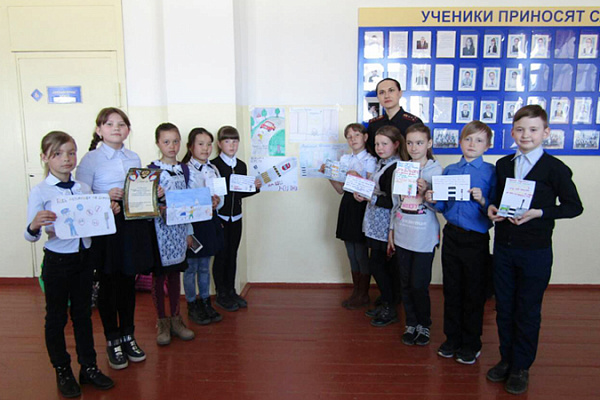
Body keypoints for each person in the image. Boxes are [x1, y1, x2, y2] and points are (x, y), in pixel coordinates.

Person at [487, 105, 583, 395]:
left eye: (532, 129)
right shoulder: (504, 164)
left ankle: (521, 366)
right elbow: (496, 199)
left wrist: (538, 212)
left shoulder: (555, 168)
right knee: (504, 307)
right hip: (503, 248)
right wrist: (492, 209)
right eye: (519, 129)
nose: (525, 135)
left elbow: (574, 207)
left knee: (527, 309)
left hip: (535, 251)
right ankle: (506, 359)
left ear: (546, 132)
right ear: (512, 132)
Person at [26, 131, 115, 397]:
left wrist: (107, 213)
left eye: (71, 153)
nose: (66, 159)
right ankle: (62, 369)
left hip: (84, 260)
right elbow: (30, 235)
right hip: (57, 261)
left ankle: (88, 366)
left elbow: (93, 223)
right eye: (57, 154)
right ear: (45, 157)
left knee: (83, 315)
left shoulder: (83, 189)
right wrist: (35, 225)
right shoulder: (41, 191)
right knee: (56, 318)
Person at [77, 108, 155, 370]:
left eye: (121, 124)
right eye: (109, 124)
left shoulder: (133, 156)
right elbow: (81, 197)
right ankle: (113, 339)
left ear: (128, 130)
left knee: (128, 282)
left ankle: (128, 335)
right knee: (109, 284)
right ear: (99, 130)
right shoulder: (90, 159)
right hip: (105, 225)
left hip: (130, 225)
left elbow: (139, 190)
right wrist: (105, 197)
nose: (116, 128)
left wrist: (152, 192)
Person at [425, 121, 496, 364]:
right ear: (460, 142)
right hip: (452, 236)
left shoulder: (491, 172)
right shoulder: (450, 170)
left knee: (474, 292)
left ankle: (471, 342)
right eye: (468, 139)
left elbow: (497, 208)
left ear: (487, 146)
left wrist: (483, 200)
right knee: (452, 289)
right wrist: (432, 199)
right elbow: (443, 206)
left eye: (479, 140)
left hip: (476, 239)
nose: (472, 144)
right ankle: (452, 339)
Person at [389, 123, 442, 346]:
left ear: (429, 143)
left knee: (419, 283)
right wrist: (391, 231)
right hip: (403, 233)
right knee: (405, 283)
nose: (414, 147)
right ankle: (411, 323)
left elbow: (441, 207)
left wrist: (426, 191)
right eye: (410, 143)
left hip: (424, 236)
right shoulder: (400, 169)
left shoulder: (437, 171)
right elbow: (395, 204)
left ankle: (424, 323)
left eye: (419, 142)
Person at [148, 123, 195, 345]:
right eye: (166, 141)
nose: (172, 146)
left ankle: (176, 319)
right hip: (159, 232)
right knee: (159, 278)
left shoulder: (184, 169)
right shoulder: (151, 170)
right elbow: (142, 203)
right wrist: (157, 200)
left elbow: (190, 202)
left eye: (175, 141)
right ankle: (162, 322)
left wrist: (189, 232)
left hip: (178, 230)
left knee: (176, 275)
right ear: (158, 143)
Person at [357, 125, 408, 327]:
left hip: (387, 223)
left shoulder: (396, 168)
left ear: (395, 144)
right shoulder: (382, 163)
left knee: (380, 265)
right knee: (380, 265)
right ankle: (388, 300)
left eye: (384, 144)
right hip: (375, 220)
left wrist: (369, 197)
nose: (379, 148)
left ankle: (390, 305)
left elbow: (393, 201)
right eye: (377, 144)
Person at [323, 124, 377, 309]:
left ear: (365, 137)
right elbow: (340, 189)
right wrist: (329, 175)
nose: (353, 139)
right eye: (349, 136)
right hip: (347, 203)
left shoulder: (370, 160)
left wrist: (355, 177)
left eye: (357, 135)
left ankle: (363, 293)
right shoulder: (344, 159)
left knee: (361, 252)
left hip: (361, 206)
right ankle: (356, 291)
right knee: (351, 252)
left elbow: (370, 188)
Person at [211, 126, 262, 311]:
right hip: (221, 218)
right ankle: (221, 293)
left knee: (233, 254)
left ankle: (231, 290)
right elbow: (216, 193)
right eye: (227, 141)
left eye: (234, 141)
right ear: (219, 144)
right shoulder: (214, 165)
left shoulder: (241, 165)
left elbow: (240, 193)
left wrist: (255, 187)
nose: (231, 145)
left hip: (236, 218)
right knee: (221, 256)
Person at [182, 127, 225, 325]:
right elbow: (182, 204)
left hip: (208, 223)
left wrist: (217, 202)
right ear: (190, 147)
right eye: (200, 144)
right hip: (192, 225)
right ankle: (192, 304)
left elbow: (221, 198)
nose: (206, 148)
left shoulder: (213, 169)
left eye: (209, 144)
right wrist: (188, 231)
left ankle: (206, 302)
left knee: (205, 267)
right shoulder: (185, 171)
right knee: (191, 268)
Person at [365, 78, 422, 153]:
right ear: (378, 97)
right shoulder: (374, 125)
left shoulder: (413, 123)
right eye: (382, 92)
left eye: (391, 90)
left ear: (400, 93)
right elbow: (371, 153)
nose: (386, 96)